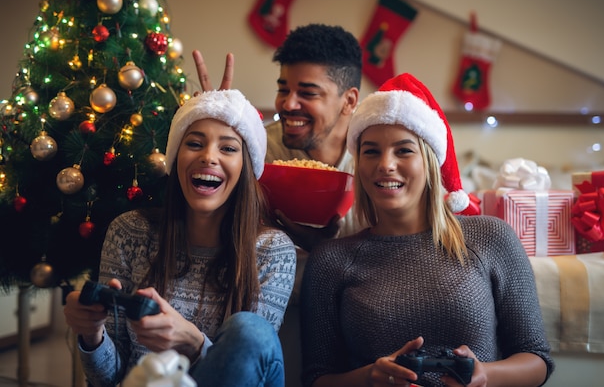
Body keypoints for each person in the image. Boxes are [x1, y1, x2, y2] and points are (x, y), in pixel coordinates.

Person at [299, 73, 554, 387]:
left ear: (430, 161)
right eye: (371, 151)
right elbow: (315, 378)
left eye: (404, 151)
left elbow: (536, 358)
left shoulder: (491, 238)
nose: (385, 165)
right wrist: (369, 378)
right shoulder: (331, 260)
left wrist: (486, 375)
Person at [63, 89, 297, 387]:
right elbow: (108, 380)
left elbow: (252, 366)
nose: (208, 157)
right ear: (176, 159)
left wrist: (193, 342)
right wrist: (92, 335)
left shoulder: (272, 250)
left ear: (245, 168)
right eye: (195, 144)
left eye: (228, 149)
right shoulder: (129, 233)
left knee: (249, 330)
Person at [193, 23, 364, 250]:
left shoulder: (374, 159)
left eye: (308, 93)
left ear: (349, 101)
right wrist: (213, 127)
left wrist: (327, 249)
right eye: (283, 90)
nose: (288, 104)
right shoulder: (258, 150)